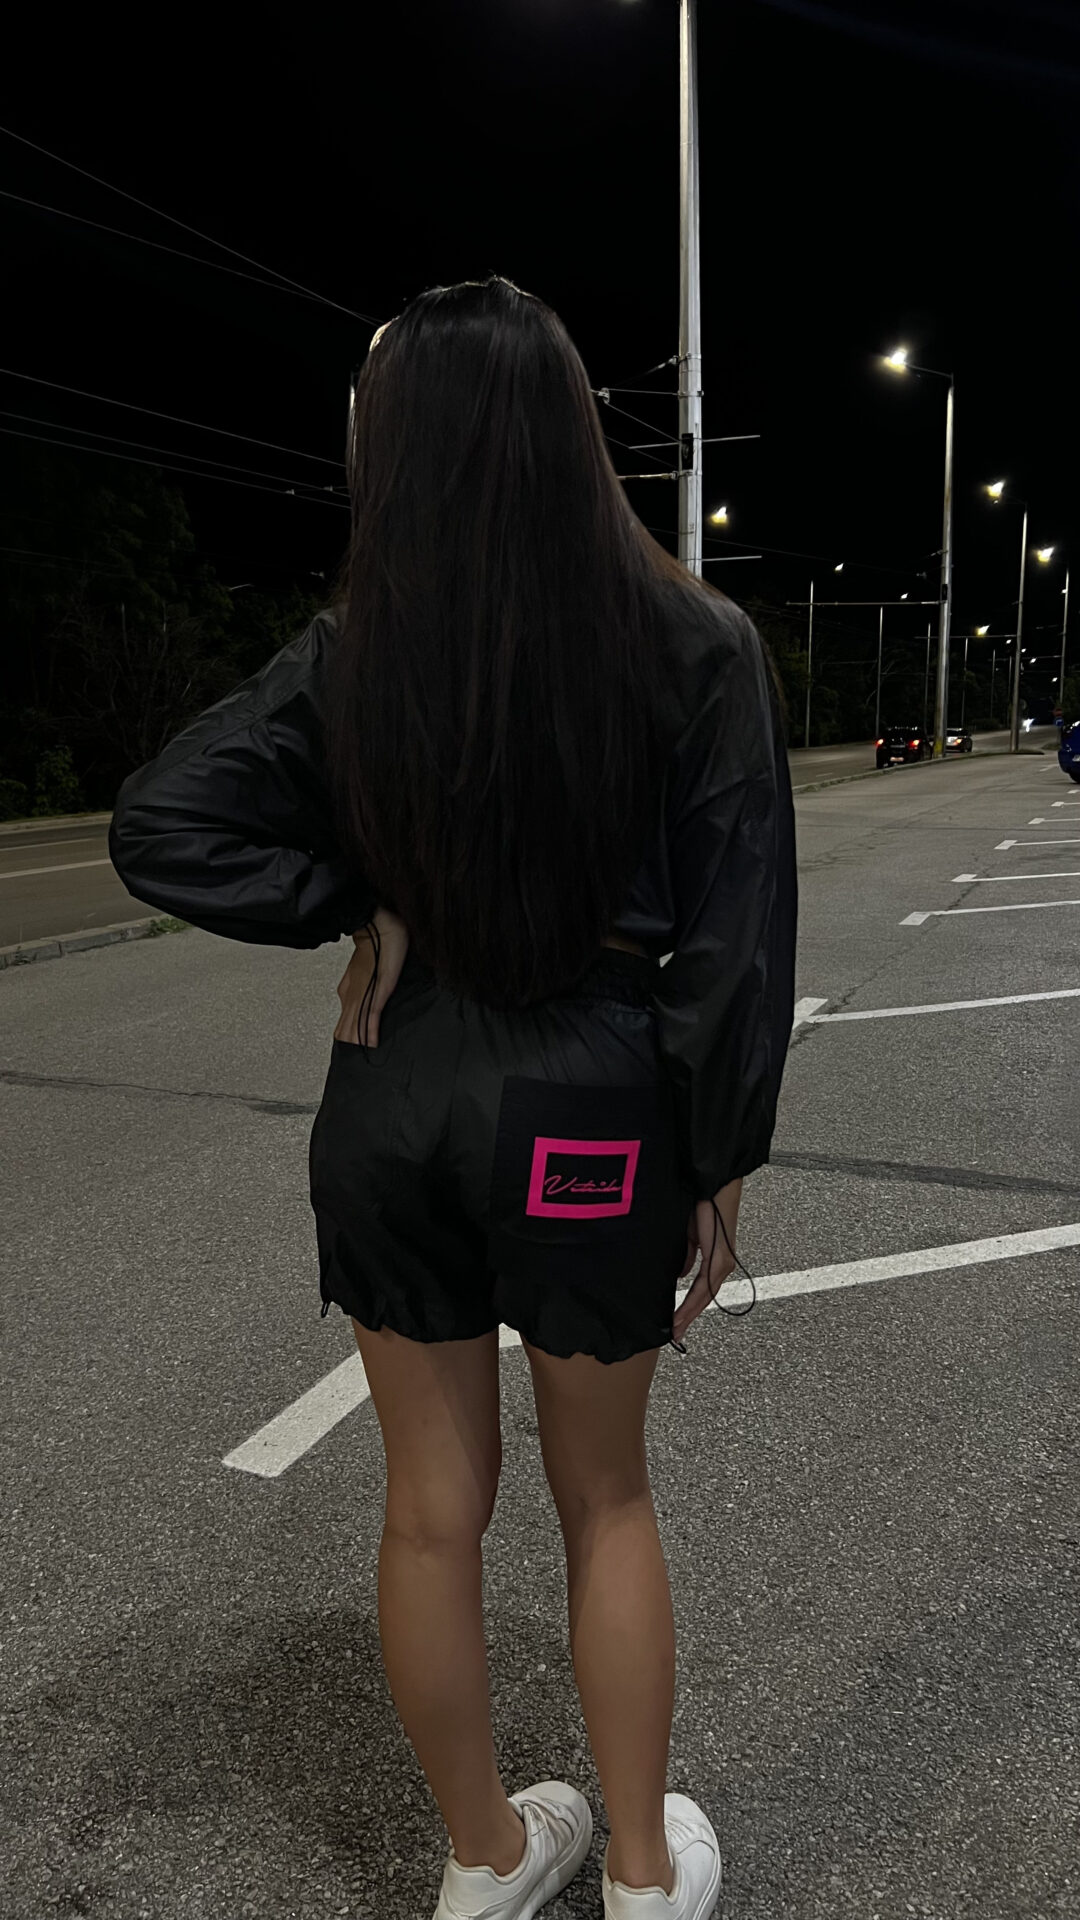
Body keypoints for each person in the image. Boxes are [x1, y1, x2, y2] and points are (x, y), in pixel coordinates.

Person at [108, 275, 797, 1920]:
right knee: (605, 1497)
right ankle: (642, 1873)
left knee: (430, 1510)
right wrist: (714, 1158)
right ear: (568, 429)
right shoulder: (696, 642)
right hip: (586, 1109)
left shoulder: (356, 653)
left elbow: (161, 823)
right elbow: (735, 942)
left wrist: (362, 893)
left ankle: (486, 1857)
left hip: (394, 1097)